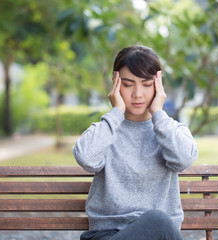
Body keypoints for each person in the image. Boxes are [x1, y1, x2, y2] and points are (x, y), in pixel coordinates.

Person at [73, 45, 199, 240]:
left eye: (147, 84)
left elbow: (183, 159)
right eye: (128, 84)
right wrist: (116, 113)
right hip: (107, 235)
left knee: (158, 221)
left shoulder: (171, 130)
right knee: (157, 219)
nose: (138, 94)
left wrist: (159, 113)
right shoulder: (106, 130)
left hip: (158, 236)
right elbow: (86, 158)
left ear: (159, 86)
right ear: (115, 84)